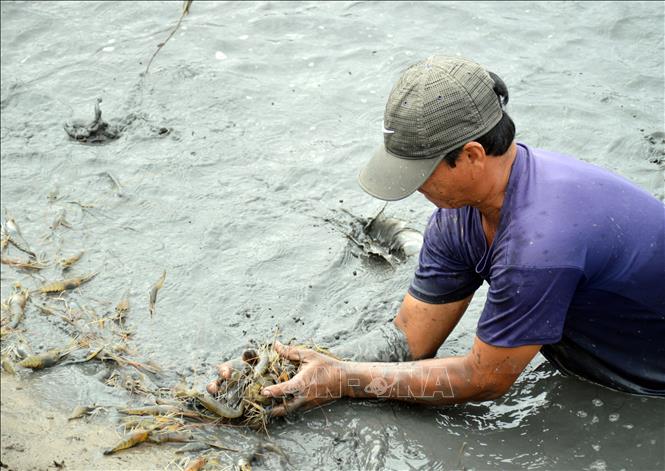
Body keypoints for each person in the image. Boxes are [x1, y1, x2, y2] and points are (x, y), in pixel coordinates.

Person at [208, 55, 665, 415]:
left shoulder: (540, 245)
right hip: (597, 353)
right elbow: (409, 339)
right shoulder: (460, 213)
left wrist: (344, 380)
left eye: (421, 173)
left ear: (470, 156)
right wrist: (284, 369)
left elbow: (486, 379)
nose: (414, 189)